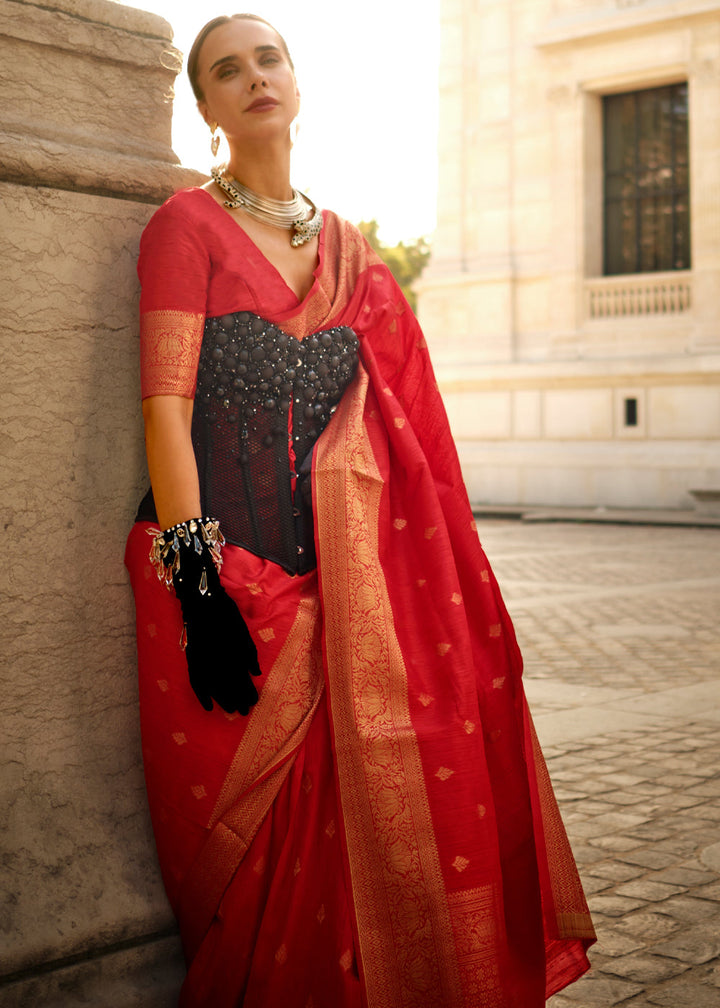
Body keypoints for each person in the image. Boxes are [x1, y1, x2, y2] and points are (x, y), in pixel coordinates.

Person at [125, 13, 595, 1008]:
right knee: (257, 853)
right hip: (229, 582)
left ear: (296, 80)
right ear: (205, 109)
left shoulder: (352, 252)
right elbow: (165, 411)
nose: (254, 77)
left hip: (357, 591)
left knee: (381, 825)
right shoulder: (185, 229)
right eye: (226, 70)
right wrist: (199, 583)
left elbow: (407, 432)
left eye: (269, 58)